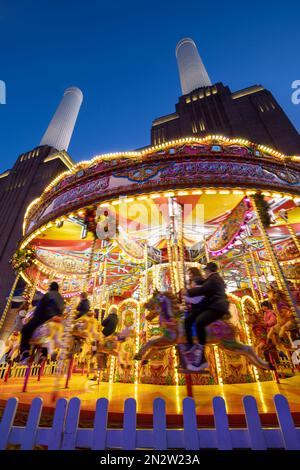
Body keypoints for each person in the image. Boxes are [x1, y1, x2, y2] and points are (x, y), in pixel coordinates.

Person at [182, 262, 230, 371]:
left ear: (208, 270)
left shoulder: (213, 279)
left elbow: (202, 290)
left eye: (206, 270)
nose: (205, 272)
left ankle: (198, 348)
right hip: (212, 305)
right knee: (189, 320)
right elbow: (202, 285)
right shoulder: (210, 279)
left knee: (198, 321)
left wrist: (187, 292)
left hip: (216, 306)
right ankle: (193, 346)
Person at [19, 282, 65, 363]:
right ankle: (44, 354)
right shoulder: (61, 298)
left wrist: (35, 316)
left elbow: (40, 307)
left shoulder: (48, 295)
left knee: (25, 329)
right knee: (52, 338)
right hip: (58, 320)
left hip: (46, 317)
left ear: (50, 288)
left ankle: (25, 352)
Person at [183, 267, 205, 353]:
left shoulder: (200, 285)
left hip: (200, 307)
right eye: (188, 273)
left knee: (188, 321)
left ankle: (192, 342)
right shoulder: (195, 285)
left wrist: (185, 297)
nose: (189, 275)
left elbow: (196, 300)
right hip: (195, 306)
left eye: (190, 273)